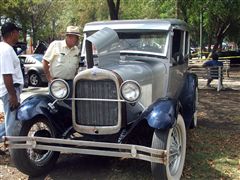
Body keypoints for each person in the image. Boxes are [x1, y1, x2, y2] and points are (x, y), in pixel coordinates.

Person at [0, 22, 23, 149]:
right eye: (17, 32)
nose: (18, 34)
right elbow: (7, 74)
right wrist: (12, 95)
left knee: (11, 119)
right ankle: (13, 150)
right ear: (12, 33)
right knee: (11, 121)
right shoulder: (6, 50)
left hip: (9, 89)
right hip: (10, 89)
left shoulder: (4, 48)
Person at [42, 26, 81, 97]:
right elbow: (45, 61)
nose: (77, 40)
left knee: (70, 105)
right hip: (57, 82)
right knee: (56, 105)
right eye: (76, 38)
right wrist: (49, 79)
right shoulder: (55, 45)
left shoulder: (76, 50)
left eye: (77, 38)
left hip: (71, 83)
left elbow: (77, 67)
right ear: (69, 37)